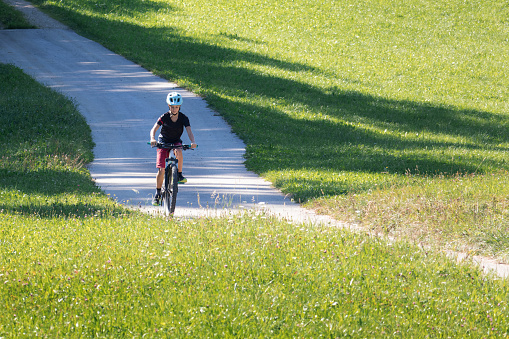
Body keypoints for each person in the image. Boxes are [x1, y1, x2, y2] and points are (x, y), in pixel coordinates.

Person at [150, 92, 197, 206]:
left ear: (179, 107)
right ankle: (157, 194)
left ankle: (179, 174)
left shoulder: (184, 118)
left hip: (176, 140)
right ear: (168, 106)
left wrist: (192, 142)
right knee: (161, 170)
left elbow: (189, 131)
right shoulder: (164, 117)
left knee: (179, 151)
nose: (174, 109)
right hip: (163, 141)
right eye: (172, 107)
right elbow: (153, 129)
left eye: (176, 107)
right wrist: (152, 138)